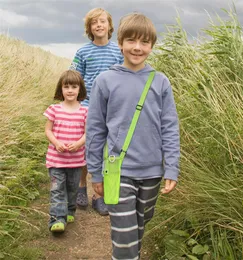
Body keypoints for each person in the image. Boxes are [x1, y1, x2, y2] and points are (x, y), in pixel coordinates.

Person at [86, 13, 180, 259]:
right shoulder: (105, 80)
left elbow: (170, 127)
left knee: (138, 227)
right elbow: (95, 129)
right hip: (119, 172)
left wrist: (171, 167)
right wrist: (95, 171)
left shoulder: (160, 82)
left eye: (144, 42)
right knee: (125, 238)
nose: (137, 47)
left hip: (152, 173)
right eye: (131, 41)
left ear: (152, 46)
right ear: (120, 42)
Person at [70, 7, 124, 215]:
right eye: (94, 23)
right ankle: (82, 187)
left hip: (111, 109)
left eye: (103, 21)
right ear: (89, 28)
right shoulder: (83, 52)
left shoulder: (117, 51)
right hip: (87, 107)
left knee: (106, 151)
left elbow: (122, 78)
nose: (99, 25)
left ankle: (98, 195)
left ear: (110, 26)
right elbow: (74, 78)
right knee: (86, 150)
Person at [44, 70, 88, 233]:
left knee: (72, 188)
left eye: (74, 86)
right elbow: (48, 130)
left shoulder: (84, 111)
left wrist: (78, 143)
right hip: (56, 160)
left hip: (76, 161)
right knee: (57, 189)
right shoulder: (54, 109)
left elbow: (87, 133)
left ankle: (70, 210)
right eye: (66, 86)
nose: (70, 90)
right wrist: (56, 143)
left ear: (80, 90)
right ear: (60, 89)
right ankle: (57, 219)